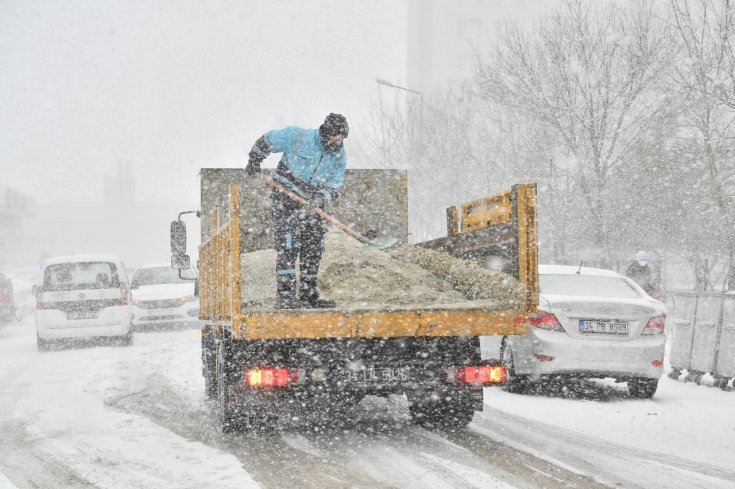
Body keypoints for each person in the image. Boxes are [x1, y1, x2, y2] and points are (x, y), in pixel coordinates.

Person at [245, 113, 348, 309]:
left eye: (343, 137)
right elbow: (267, 140)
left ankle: (308, 295)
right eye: (337, 136)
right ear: (327, 132)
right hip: (286, 198)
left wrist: (321, 197)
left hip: (312, 204)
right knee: (289, 245)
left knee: (314, 247)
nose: (340, 141)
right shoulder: (298, 136)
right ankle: (285, 296)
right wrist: (254, 160)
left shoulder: (339, 155)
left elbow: (336, 184)